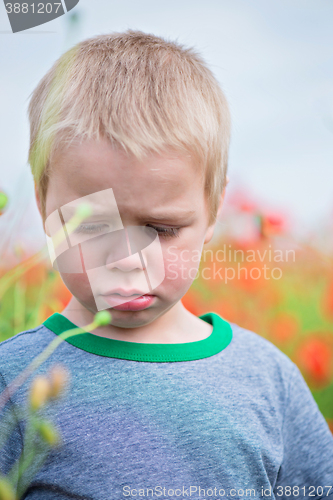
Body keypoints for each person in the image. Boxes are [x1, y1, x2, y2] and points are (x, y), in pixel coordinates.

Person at [0, 30, 332, 500]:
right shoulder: (15, 380)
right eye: (93, 228)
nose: (127, 261)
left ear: (214, 211)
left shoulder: (266, 378)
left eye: (161, 229)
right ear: (41, 204)